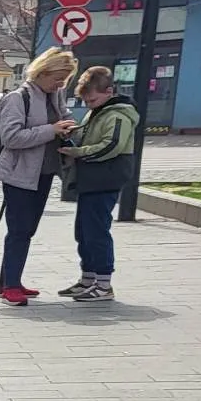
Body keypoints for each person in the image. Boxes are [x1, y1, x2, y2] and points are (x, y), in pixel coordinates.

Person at [0, 47, 78, 306]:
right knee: (19, 230)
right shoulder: (18, 99)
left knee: (27, 230)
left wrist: (69, 126)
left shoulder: (54, 96)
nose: (60, 84)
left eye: (65, 80)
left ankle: (8, 282)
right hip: (19, 174)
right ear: (42, 72)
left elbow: (63, 118)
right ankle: (11, 286)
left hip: (44, 172)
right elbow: (11, 137)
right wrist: (51, 130)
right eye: (57, 78)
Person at [56, 65, 139, 302]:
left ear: (109, 92)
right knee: (84, 231)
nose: (89, 105)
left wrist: (79, 153)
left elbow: (111, 146)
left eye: (92, 100)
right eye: (86, 101)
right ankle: (88, 278)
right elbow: (89, 136)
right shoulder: (98, 112)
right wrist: (73, 134)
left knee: (97, 231)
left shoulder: (117, 115)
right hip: (91, 180)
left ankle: (103, 284)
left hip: (105, 179)